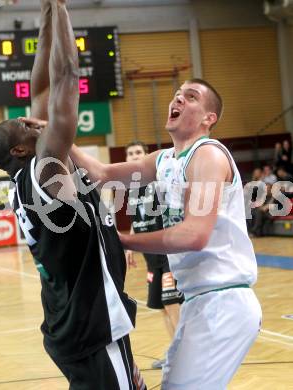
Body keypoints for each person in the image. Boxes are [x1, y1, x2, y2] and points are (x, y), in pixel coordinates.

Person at [0, 1, 146, 389]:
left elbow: (40, 87)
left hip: (75, 321)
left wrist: (48, 12)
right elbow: (67, 77)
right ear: (20, 150)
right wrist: (62, 9)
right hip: (90, 326)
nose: (30, 119)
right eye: (23, 124)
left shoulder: (28, 176)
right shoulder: (45, 170)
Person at [70, 78, 262, 389]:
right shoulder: (165, 160)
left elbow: (193, 235)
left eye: (191, 96)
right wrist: (59, 136)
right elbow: (103, 175)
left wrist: (119, 240)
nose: (179, 100)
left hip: (223, 302)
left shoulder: (208, 155)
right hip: (199, 301)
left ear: (208, 118)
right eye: (177, 95)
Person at [125, 140, 183, 370]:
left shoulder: (158, 179)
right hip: (150, 256)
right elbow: (136, 219)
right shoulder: (131, 186)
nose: (134, 156)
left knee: (172, 303)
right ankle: (175, 352)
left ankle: (185, 355)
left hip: (167, 251)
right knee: (161, 306)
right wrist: (130, 246)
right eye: (130, 153)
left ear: (146, 155)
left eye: (138, 152)